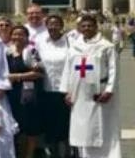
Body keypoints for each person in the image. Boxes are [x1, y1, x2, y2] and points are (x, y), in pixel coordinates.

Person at [60, 15, 121, 158]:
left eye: (90, 26)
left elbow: (114, 70)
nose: (86, 28)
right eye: (83, 26)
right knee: (82, 130)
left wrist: (109, 90)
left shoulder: (107, 46)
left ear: (96, 27)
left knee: (102, 128)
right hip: (79, 94)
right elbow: (67, 69)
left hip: (99, 93)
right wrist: (66, 92)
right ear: (80, 28)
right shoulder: (74, 47)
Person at [6, 25, 44, 158]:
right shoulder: (8, 53)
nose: (17, 37)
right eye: (15, 34)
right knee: (16, 127)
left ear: (27, 37)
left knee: (30, 127)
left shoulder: (32, 52)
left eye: (21, 34)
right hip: (13, 95)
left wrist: (16, 77)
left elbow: (38, 73)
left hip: (29, 94)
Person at [38, 15, 71, 157]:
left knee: (65, 125)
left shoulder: (70, 42)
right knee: (49, 124)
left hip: (65, 91)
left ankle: (67, 154)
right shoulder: (41, 43)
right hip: (46, 90)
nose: (53, 27)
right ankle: (52, 153)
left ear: (62, 26)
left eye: (56, 24)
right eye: (50, 24)